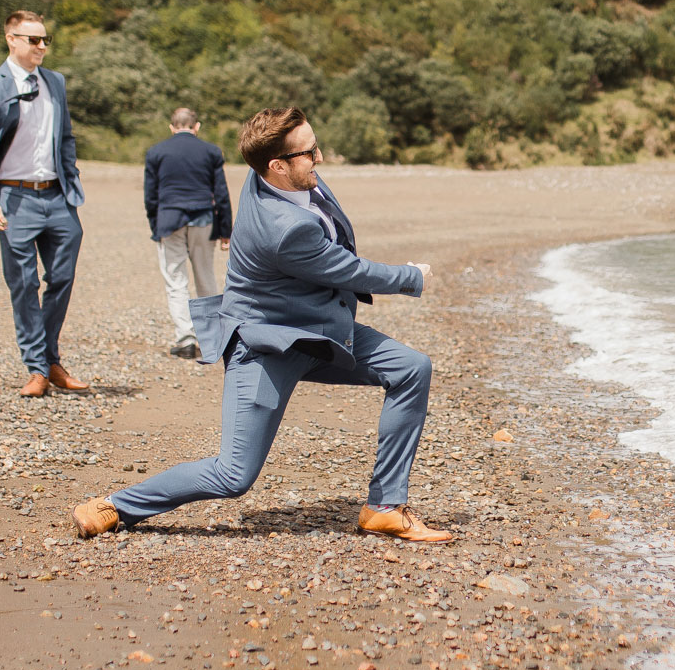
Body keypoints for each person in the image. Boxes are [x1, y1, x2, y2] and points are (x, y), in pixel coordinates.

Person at [73, 106, 451, 543]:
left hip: (316, 332)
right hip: (267, 345)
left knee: (410, 367)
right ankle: (114, 505)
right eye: (310, 152)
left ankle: (384, 506)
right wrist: (411, 275)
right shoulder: (284, 228)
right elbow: (350, 270)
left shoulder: (277, 175)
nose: (321, 158)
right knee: (233, 475)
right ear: (278, 165)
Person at [0, 11, 90, 398]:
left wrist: (70, 174)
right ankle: (39, 367)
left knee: (61, 279)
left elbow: (65, 137)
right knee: (24, 284)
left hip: (58, 196)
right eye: (34, 40)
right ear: (12, 40)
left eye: (46, 40)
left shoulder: (56, 82)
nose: (42, 47)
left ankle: (47, 360)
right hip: (13, 197)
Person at [144, 107, 233, 360]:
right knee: (206, 277)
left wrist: (155, 226)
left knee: (175, 280)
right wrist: (225, 230)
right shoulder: (211, 151)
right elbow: (221, 193)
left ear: (172, 127)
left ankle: (185, 339)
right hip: (203, 218)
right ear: (197, 127)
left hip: (169, 219)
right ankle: (213, 338)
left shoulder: (156, 152)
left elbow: (150, 196)